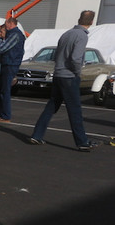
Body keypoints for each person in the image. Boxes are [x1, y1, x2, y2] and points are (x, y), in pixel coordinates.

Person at [30, 10, 100, 152]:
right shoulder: (82, 36)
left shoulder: (67, 34)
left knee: (52, 106)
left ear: (79, 19)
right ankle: (82, 142)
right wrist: (77, 72)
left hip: (58, 74)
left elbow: (58, 54)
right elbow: (75, 58)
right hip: (69, 76)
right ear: (91, 22)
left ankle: (37, 134)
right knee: (75, 110)